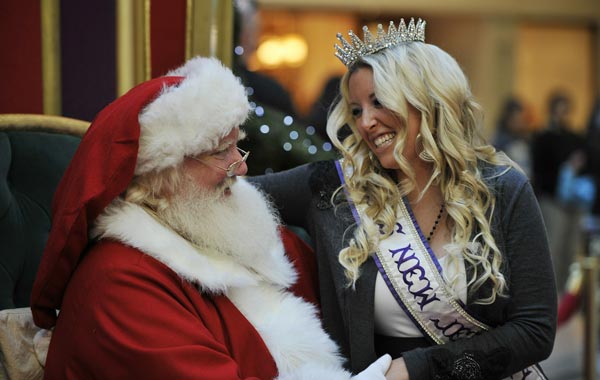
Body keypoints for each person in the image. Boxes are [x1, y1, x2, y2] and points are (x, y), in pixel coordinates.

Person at [29, 56, 391, 379]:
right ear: (161, 175)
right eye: (221, 152)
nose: (243, 165)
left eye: (238, 144)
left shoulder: (233, 229)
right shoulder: (117, 282)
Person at [250, 18, 556, 380]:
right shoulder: (331, 187)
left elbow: (536, 330)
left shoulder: (501, 189)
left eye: (379, 102)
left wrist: (418, 368)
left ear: (427, 100)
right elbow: (225, 196)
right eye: (357, 109)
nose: (365, 123)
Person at [492, 96, 532, 177]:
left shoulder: (526, 139)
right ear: (508, 119)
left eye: (522, 120)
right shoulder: (500, 141)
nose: (521, 123)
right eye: (516, 120)